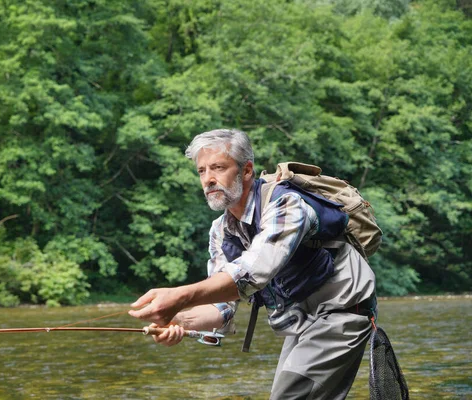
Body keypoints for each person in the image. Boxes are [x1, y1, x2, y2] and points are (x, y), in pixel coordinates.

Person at [129, 128, 377, 400]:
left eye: (218, 168)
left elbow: (254, 271)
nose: (208, 179)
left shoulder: (286, 205)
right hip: (302, 323)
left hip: (342, 311)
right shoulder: (220, 232)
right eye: (201, 171)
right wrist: (175, 319)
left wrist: (179, 296)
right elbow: (221, 310)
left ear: (246, 171)